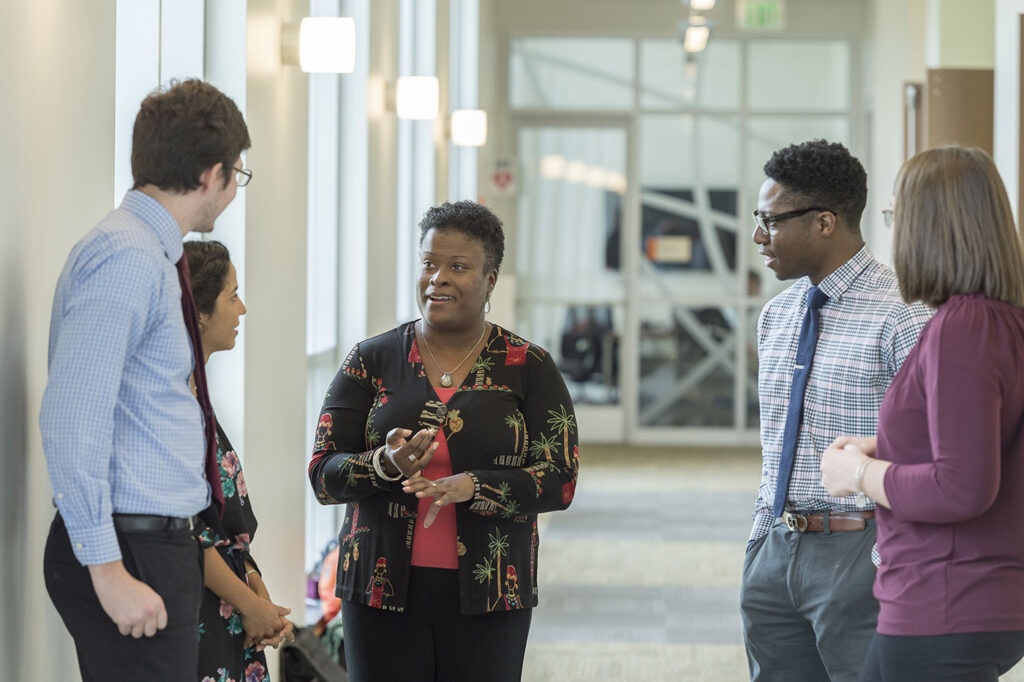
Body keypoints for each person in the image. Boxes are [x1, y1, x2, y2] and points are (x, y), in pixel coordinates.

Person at [309, 200, 580, 682]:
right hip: (378, 587)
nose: (438, 278)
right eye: (429, 264)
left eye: (458, 266)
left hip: (492, 588)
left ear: (490, 279)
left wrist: (476, 486)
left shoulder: (528, 367)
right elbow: (323, 474)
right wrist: (382, 465)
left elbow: (559, 479)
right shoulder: (371, 360)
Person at [39, 79, 250, 682]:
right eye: (239, 175)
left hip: (151, 544)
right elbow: (72, 416)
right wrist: (107, 570)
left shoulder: (148, 253)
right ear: (212, 174)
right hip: (130, 550)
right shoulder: (128, 257)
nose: (235, 190)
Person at [821, 146, 1024, 681]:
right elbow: (975, 444)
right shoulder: (1001, 322)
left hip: (947, 601)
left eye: (894, 216)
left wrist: (860, 474)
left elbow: (962, 486)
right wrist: (884, 449)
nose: (893, 231)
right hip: (967, 600)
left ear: (929, 225)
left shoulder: (964, 327)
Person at [740, 140, 930, 682]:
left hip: (862, 553)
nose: (758, 236)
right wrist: (759, 543)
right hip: (775, 553)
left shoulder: (905, 316)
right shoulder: (776, 318)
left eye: (771, 221)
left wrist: (881, 561)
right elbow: (776, 446)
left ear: (825, 222)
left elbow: (930, 455)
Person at [183, 240, 293, 682]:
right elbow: (190, 532)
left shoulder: (198, 394)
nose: (242, 308)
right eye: (232, 296)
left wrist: (253, 583)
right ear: (200, 313)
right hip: (197, 610)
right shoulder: (172, 405)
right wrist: (251, 606)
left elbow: (223, 524)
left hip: (228, 602)